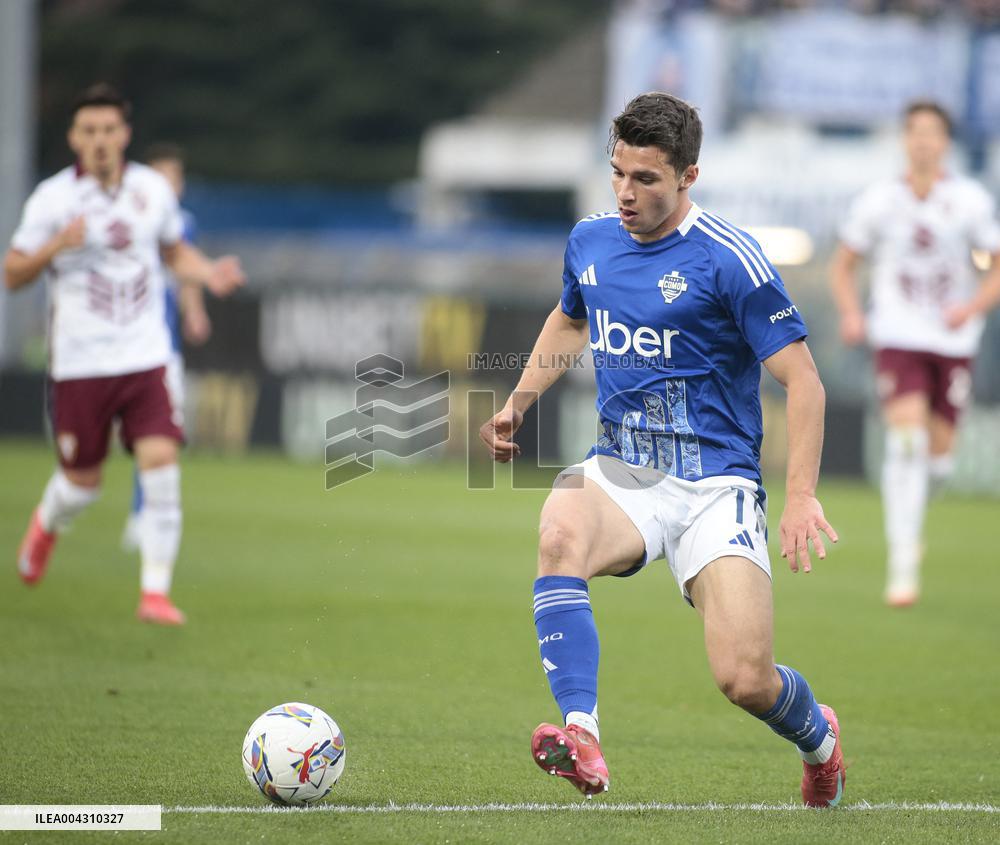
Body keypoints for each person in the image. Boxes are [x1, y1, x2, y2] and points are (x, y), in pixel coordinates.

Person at [480, 92, 845, 806]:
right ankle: (580, 730)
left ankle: (821, 742)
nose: (625, 192)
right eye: (618, 172)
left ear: (688, 177)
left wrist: (800, 495)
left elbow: (804, 382)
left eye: (645, 178)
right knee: (558, 530)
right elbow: (568, 318)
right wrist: (517, 402)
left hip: (717, 484)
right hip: (624, 468)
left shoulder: (728, 258)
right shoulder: (590, 240)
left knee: (745, 677)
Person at [3, 83, 244, 624]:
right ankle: (47, 520)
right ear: (73, 138)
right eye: (89, 131)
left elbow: (172, 250)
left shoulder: (151, 190)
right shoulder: (52, 199)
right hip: (81, 363)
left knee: (161, 463)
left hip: (144, 354)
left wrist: (208, 272)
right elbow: (12, 274)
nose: (100, 140)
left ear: (125, 134)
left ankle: (154, 592)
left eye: (109, 129)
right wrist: (53, 247)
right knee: (82, 485)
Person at [830, 100, 1000, 608]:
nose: (923, 140)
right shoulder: (879, 201)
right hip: (898, 334)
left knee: (939, 464)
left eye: (932, 132)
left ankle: (912, 525)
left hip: (952, 340)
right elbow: (843, 265)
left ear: (945, 142)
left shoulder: (969, 199)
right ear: (905, 140)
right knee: (906, 444)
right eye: (914, 132)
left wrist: (971, 307)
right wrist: (852, 314)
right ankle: (902, 563)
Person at [120, 143, 211, 553]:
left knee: (159, 433)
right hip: (119, 342)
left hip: (161, 345)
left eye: (176, 177)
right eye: (164, 177)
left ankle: (145, 515)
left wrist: (194, 312)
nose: (172, 185)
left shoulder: (182, 223)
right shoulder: (124, 218)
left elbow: (185, 270)